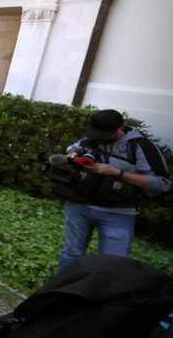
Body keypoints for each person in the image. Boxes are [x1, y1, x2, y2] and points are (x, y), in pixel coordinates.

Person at [56, 109, 171, 273]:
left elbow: (162, 183)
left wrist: (117, 173)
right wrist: (73, 154)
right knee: (70, 253)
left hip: (118, 213)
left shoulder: (140, 146)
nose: (99, 138)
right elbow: (74, 147)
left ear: (120, 128)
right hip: (79, 205)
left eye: (105, 134)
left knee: (111, 264)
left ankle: (101, 297)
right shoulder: (94, 136)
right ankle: (60, 293)